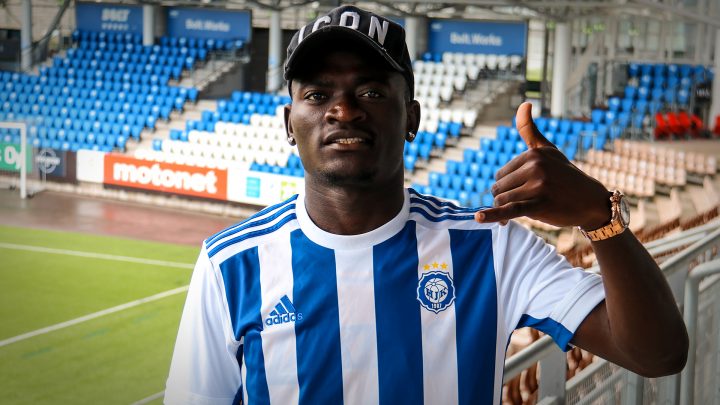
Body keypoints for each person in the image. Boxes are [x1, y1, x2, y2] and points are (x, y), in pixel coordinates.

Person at [165, 6, 688, 404]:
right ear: (288, 124)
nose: (343, 110)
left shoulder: (491, 247)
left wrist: (601, 218)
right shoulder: (228, 265)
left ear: (411, 118)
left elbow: (658, 353)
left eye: (370, 92)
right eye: (318, 95)